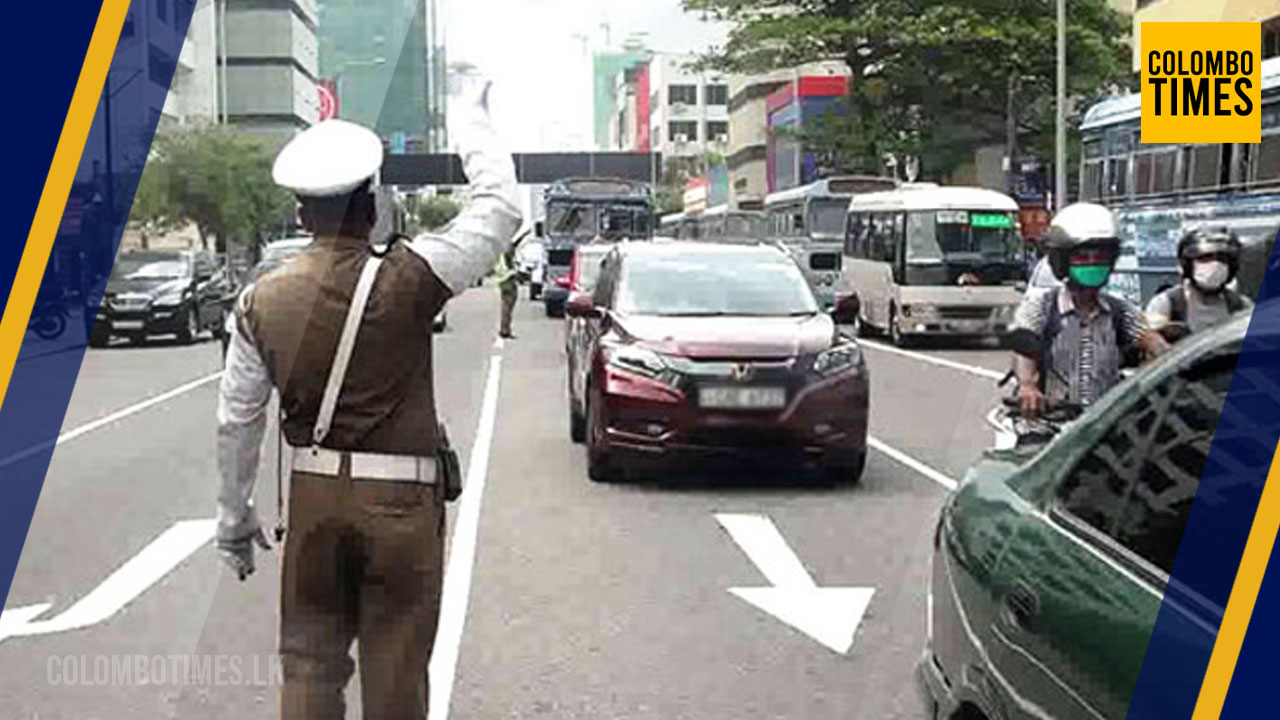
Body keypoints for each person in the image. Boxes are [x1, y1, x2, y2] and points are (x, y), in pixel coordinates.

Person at [214, 83, 520, 719]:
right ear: (373, 205)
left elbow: (237, 420)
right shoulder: (414, 274)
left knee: (308, 665)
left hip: (313, 501)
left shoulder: (257, 302)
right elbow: (499, 209)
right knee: (397, 665)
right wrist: (471, 121)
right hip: (402, 505)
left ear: (301, 216)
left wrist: (234, 518)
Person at [1012, 202, 1164, 417]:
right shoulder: (1042, 307)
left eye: (1100, 258)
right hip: (1052, 422)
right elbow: (1023, 348)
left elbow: (1153, 342)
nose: (1092, 263)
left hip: (1106, 425)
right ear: (1062, 261)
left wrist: (1175, 363)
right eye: (1082, 257)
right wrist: (1028, 386)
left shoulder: (1119, 311)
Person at [1145, 227, 1253, 340]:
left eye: (1221, 259)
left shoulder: (1242, 306)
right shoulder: (1166, 304)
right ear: (1188, 264)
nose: (1214, 264)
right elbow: (1151, 343)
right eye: (1205, 258)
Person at [494, 244, 518, 339]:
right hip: (507, 279)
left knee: (506, 306)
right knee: (508, 306)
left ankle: (505, 328)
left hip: (503, 280)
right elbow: (508, 269)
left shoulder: (499, 255)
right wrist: (514, 273)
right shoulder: (505, 256)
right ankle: (505, 330)